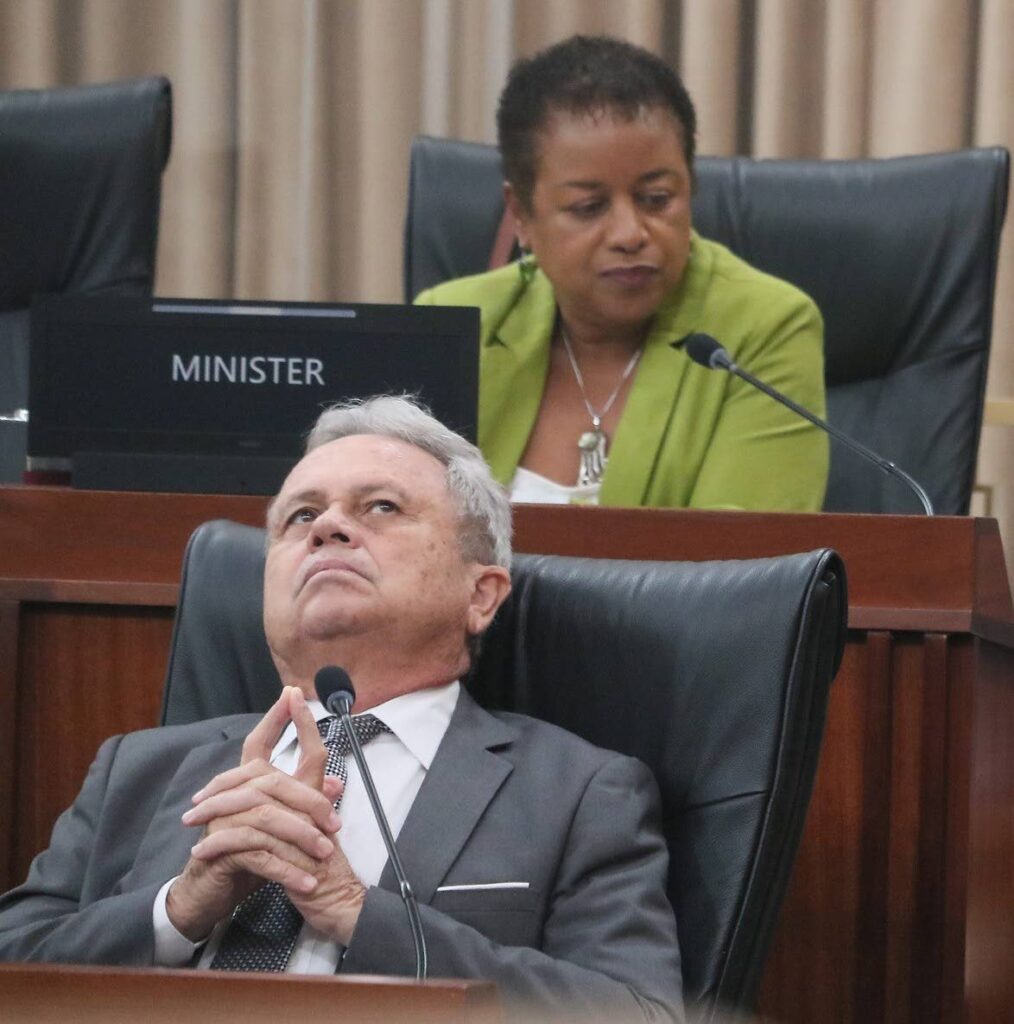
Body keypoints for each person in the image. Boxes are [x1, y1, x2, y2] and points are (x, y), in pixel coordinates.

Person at [0, 396, 684, 1022]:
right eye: (301, 515)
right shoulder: (141, 770)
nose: (327, 527)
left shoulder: (578, 791)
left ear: (481, 594)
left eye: (380, 507)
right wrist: (176, 911)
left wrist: (357, 915)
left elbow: (637, 1012)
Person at [415, 35, 828, 510]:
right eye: (589, 207)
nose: (630, 233)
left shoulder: (765, 327)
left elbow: (742, 570)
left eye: (656, 199)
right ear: (522, 215)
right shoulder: (451, 322)